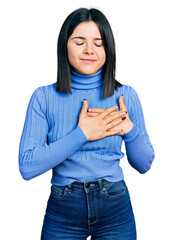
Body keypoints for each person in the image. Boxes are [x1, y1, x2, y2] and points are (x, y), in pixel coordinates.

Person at [18, 7, 155, 240]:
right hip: (63, 210)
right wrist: (82, 133)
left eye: (98, 43)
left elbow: (144, 164)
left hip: (115, 206)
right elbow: (28, 167)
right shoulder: (43, 98)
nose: (89, 50)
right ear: (65, 45)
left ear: (108, 49)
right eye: (79, 42)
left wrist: (130, 131)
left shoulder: (125, 96)